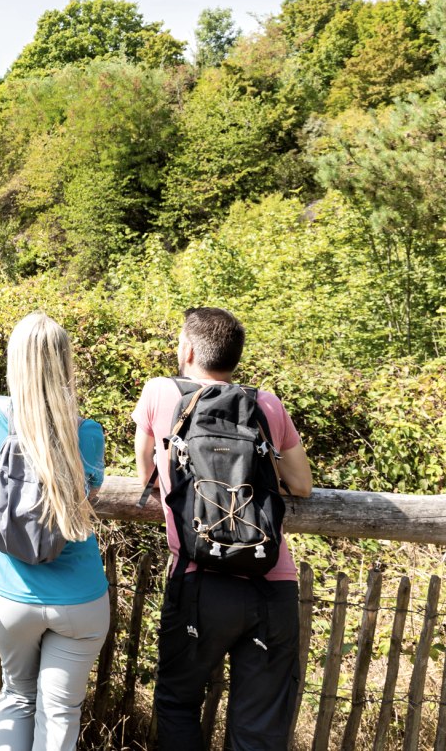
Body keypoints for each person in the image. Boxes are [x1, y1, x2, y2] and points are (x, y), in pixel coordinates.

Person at [134, 306, 314, 751]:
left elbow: (145, 474)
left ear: (188, 348)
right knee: (259, 722)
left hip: (200, 578)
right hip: (270, 580)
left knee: (178, 703)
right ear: (235, 356)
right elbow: (302, 484)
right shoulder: (264, 402)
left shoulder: (161, 393)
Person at [0, 312, 109, 751]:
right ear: (64, 363)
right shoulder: (85, 431)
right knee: (60, 712)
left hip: (12, 596)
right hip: (81, 599)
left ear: (13, 361)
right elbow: (87, 500)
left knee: (17, 695)